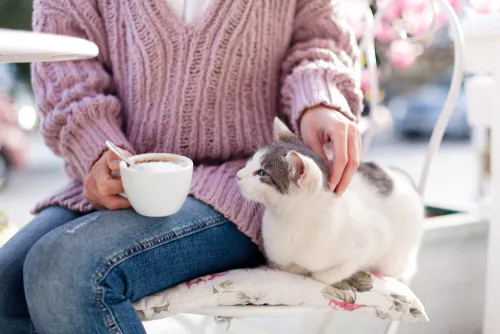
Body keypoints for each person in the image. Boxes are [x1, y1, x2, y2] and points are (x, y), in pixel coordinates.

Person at [0, 0, 363, 332]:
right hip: (120, 173)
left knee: (66, 270)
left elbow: (319, 41)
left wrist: (321, 100)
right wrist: (94, 148)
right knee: (5, 285)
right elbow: (66, 69)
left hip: (242, 185)